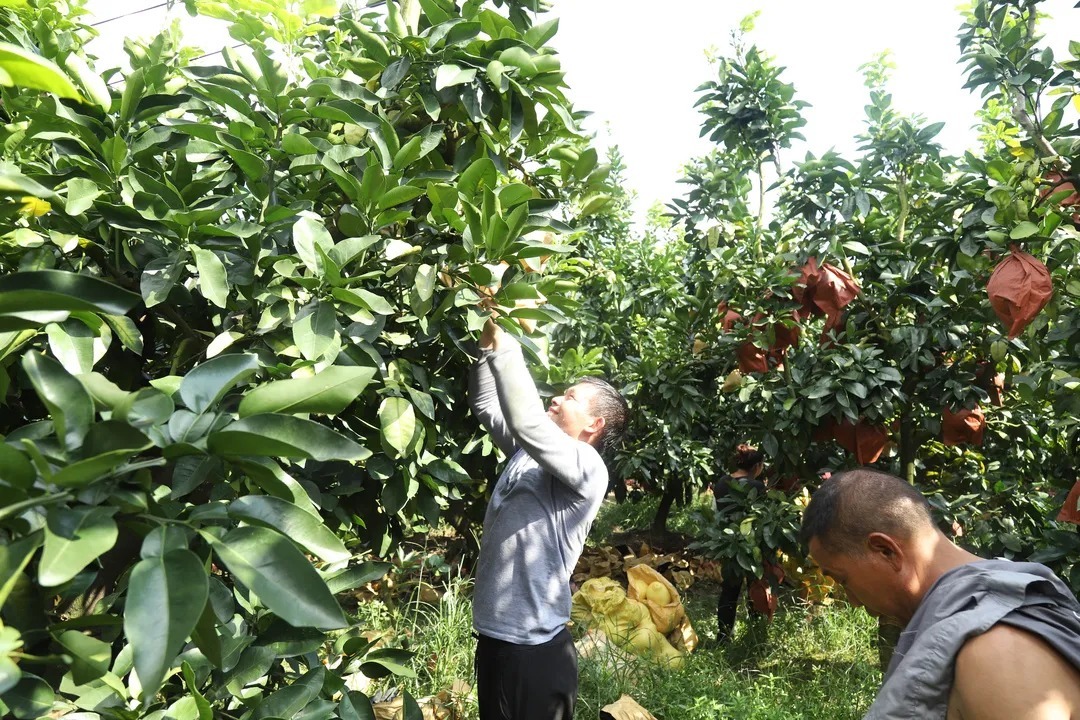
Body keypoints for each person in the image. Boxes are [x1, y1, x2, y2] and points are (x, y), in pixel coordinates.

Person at [800, 468, 1080, 719]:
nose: (852, 601)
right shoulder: (981, 624)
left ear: (885, 551)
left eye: (843, 579)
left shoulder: (995, 652)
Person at [468, 318, 628, 720]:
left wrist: (507, 343)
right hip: (495, 638)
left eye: (571, 397)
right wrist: (486, 343)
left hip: (535, 651)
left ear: (595, 424)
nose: (557, 398)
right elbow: (487, 405)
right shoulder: (527, 453)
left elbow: (526, 421)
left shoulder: (588, 465)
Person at [711, 443, 768, 640]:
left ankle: (723, 636)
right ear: (757, 466)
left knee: (729, 590)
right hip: (752, 545)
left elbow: (716, 513)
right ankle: (755, 632)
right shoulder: (757, 487)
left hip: (728, 543)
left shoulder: (721, 482)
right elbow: (762, 517)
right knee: (755, 587)